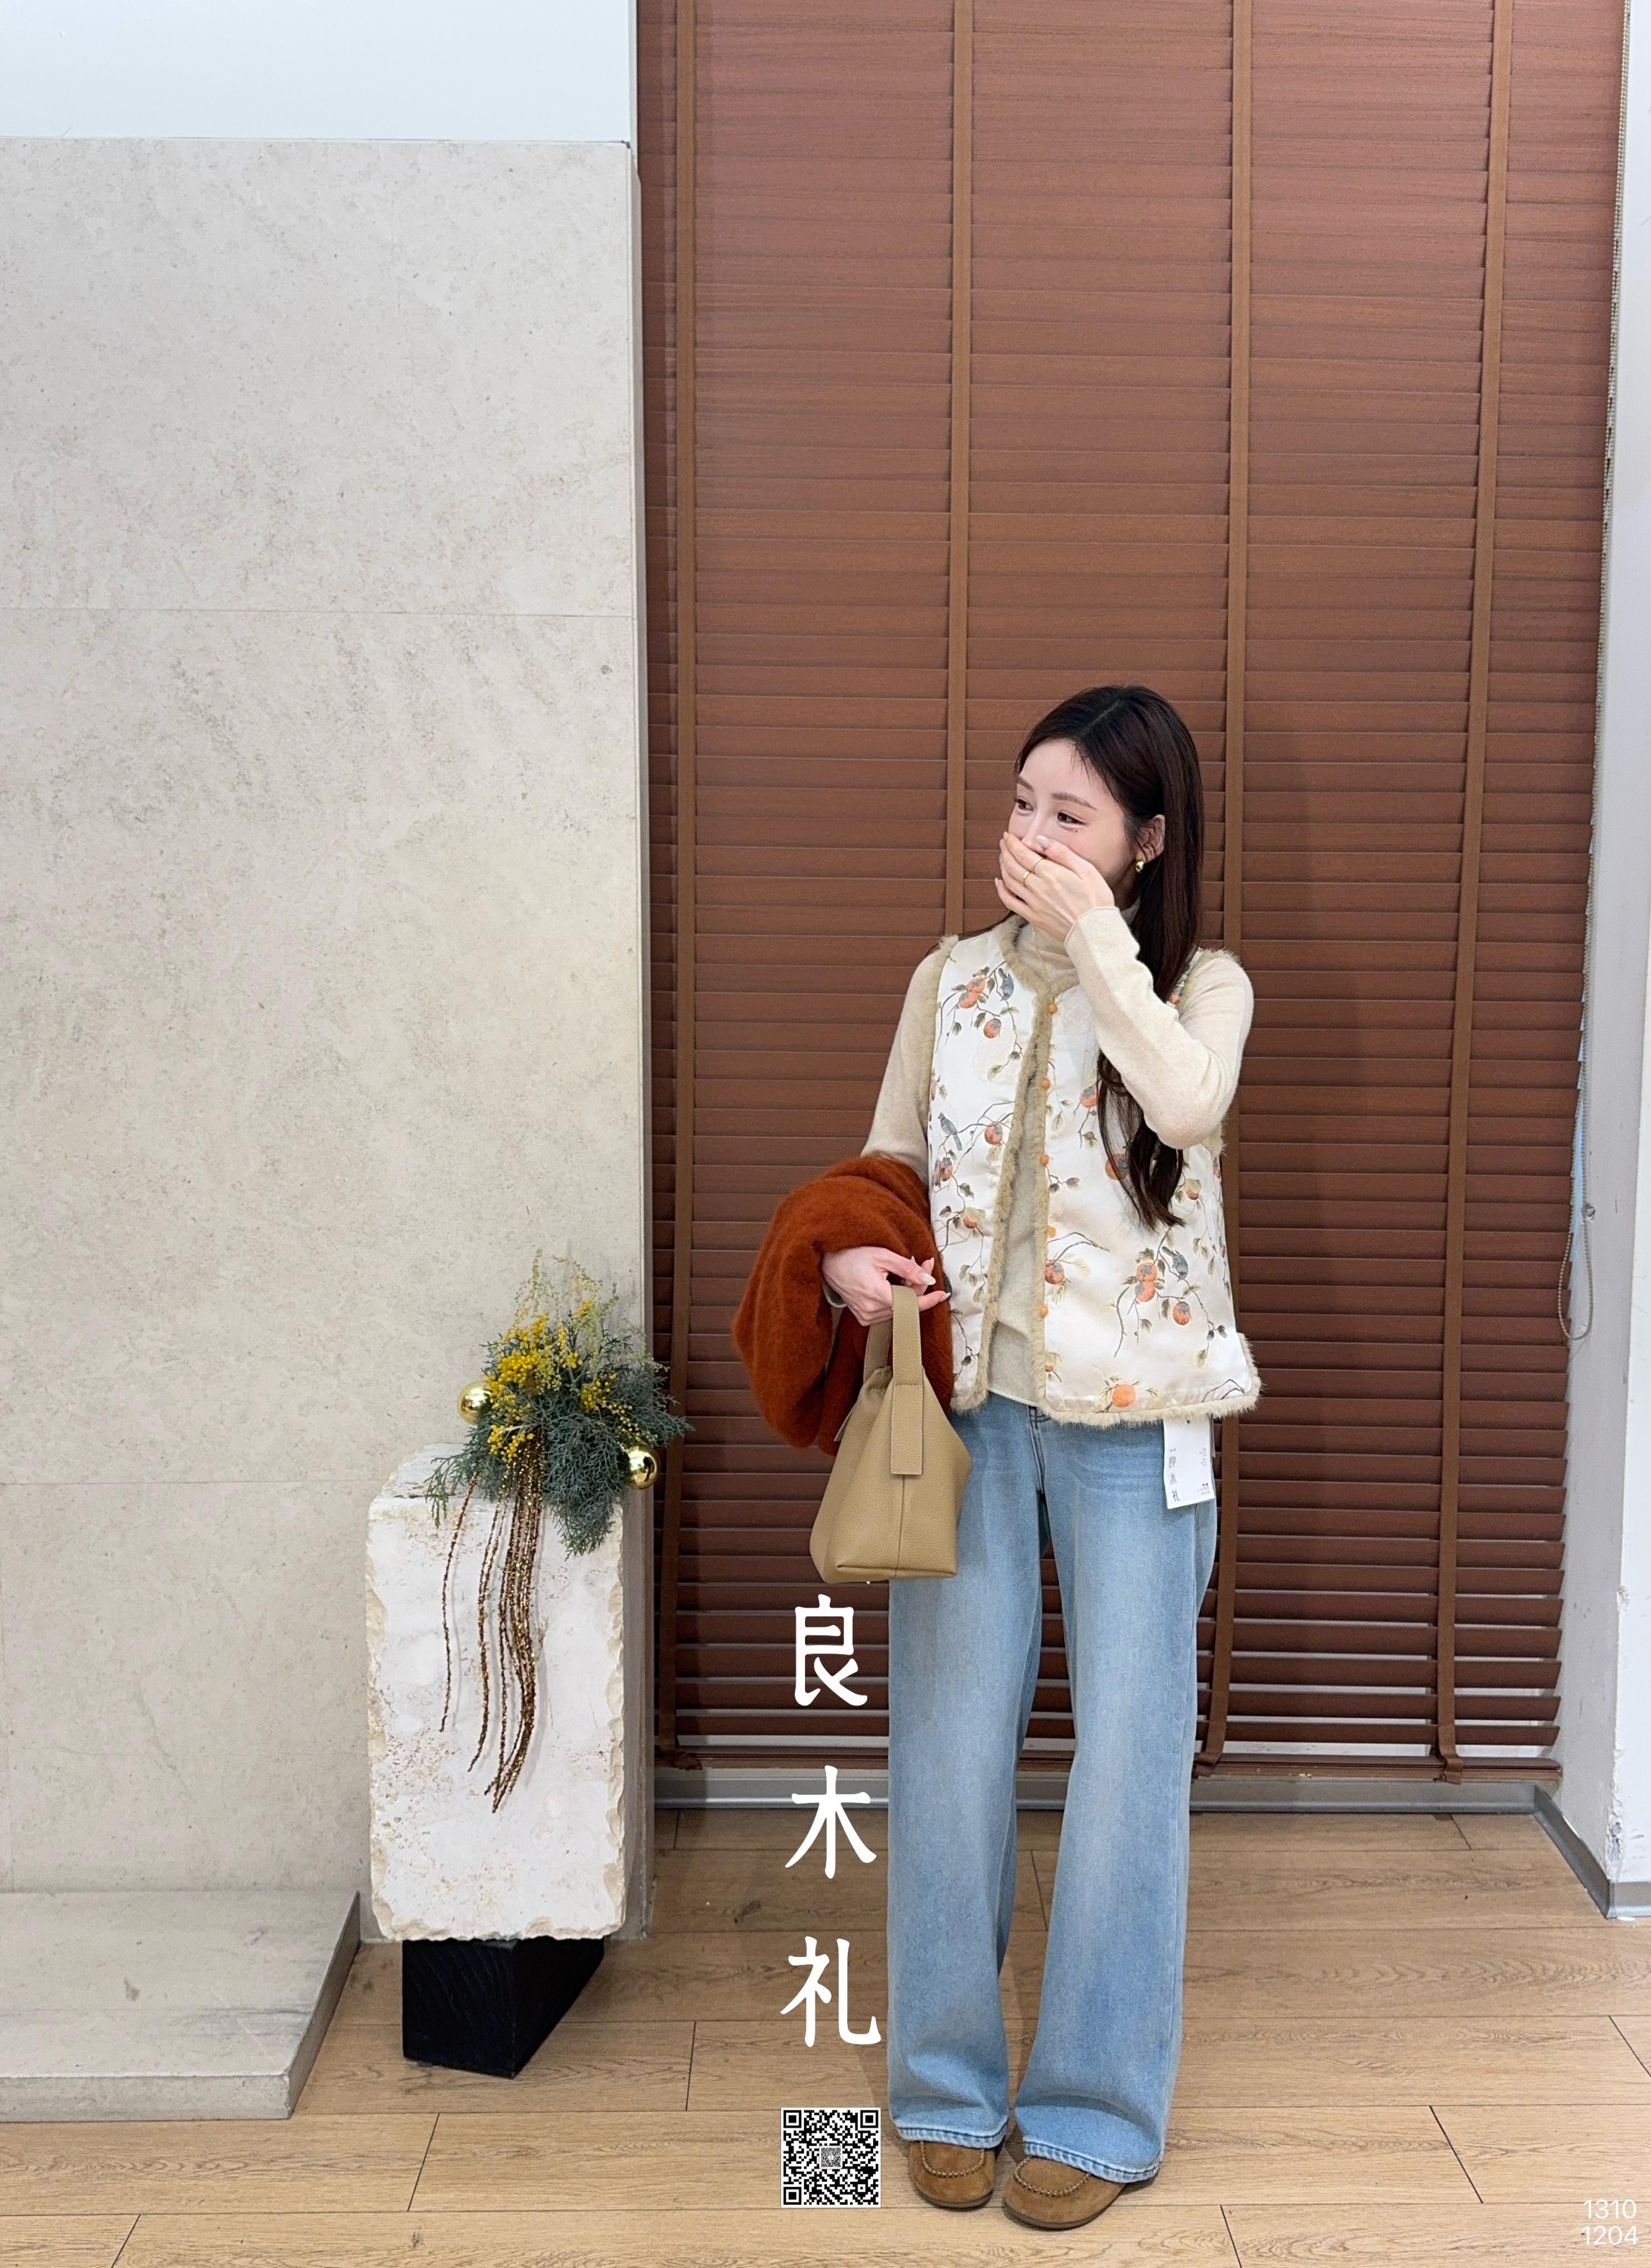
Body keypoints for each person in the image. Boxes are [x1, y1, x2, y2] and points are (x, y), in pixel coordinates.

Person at [821, 683, 1261, 2230]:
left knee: (1131, 1759)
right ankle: (944, 2092)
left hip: (1141, 1425)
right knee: (947, 1751)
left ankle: (1096, 2111)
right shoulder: (949, 980)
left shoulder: (1199, 987)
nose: (1030, 836)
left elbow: (1186, 1104)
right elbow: (887, 1164)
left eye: (1070, 816)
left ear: (1147, 842)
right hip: (964, 1411)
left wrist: (1096, 943)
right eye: (1022, 803)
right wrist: (848, 1262)